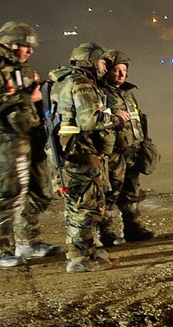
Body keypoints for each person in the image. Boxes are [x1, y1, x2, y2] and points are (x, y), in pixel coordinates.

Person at [0, 21, 59, 267]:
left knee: (40, 191)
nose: (30, 51)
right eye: (25, 46)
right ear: (10, 43)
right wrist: (25, 96)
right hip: (8, 137)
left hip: (31, 134)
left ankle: (28, 241)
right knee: (8, 194)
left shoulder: (21, 68)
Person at [49, 42, 125, 271]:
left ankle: (86, 252)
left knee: (79, 207)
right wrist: (117, 119)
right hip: (79, 153)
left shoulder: (65, 81)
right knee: (84, 208)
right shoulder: (81, 83)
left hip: (70, 153)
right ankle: (79, 259)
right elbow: (89, 120)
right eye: (102, 62)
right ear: (91, 61)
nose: (105, 67)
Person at [100, 49, 157, 244]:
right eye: (117, 70)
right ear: (107, 70)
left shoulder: (128, 94)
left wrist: (144, 143)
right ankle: (106, 233)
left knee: (132, 192)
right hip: (113, 153)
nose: (122, 74)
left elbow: (138, 120)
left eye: (124, 70)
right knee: (110, 192)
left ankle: (134, 228)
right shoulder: (100, 93)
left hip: (132, 150)